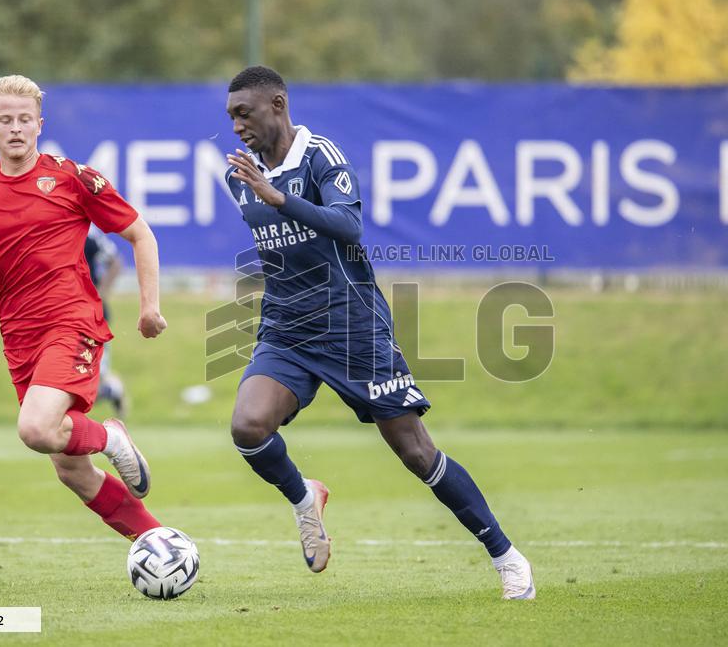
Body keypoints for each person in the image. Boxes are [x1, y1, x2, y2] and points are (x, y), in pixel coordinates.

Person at [223, 66, 535, 600]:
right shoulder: (239, 175)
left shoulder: (322, 156)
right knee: (248, 427)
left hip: (353, 327)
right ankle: (306, 501)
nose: (236, 127)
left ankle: (506, 557)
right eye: (230, 117)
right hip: (287, 328)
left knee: (416, 453)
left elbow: (348, 225)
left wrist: (280, 200)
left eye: (243, 114)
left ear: (277, 104)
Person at [0, 74, 167, 542]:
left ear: (39, 124)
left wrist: (150, 308)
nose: (15, 128)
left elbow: (140, 234)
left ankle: (109, 436)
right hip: (19, 338)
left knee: (36, 428)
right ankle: (158, 541)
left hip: (72, 324)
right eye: (5, 120)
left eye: (24, 119)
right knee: (70, 470)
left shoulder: (71, 177)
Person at [85, 225, 129, 418]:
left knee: (94, 376)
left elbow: (115, 261)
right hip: (60, 311)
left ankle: (113, 390)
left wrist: (100, 294)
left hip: (92, 313)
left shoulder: (89, 234)